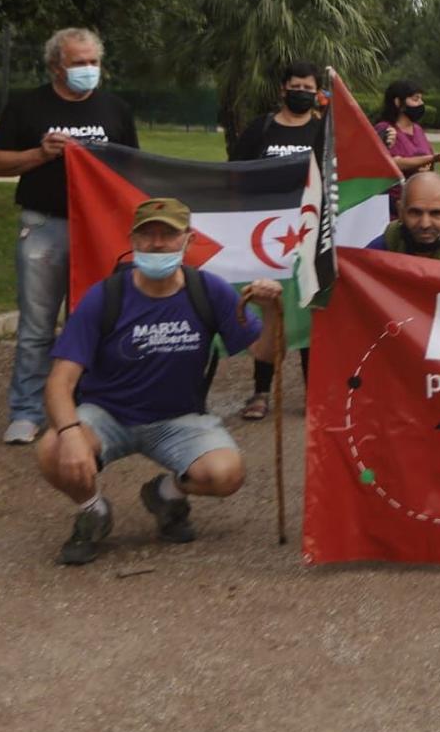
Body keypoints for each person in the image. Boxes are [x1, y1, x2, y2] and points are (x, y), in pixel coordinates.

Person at [33, 197, 285, 565]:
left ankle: (165, 494)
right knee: (52, 449)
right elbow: (59, 382)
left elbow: (267, 355)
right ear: (133, 240)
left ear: (188, 239)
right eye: (146, 234)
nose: (155, 243)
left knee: (226, 474)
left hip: (178, 418)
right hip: (107, 416)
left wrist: (271, 311)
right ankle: (93, 511)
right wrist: (71, 433)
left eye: (167, 235)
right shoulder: (105, 297)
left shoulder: (207, 290)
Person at [0, 27, 140, 446]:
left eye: (94, 62)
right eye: (79, 63)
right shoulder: (27, 106)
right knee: (37, 325)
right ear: (55, 66)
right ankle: (26, 411)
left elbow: (133, 171)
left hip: (102, 231)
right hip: (44, 226)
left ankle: (89, 406)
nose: (89, 70)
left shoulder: (116, 109)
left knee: (97, 322)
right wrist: (40, 153)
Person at [229, 61, 326, 420]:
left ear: (317, 92)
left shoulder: (323, 130)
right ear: (283, 89)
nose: (302, 91)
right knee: (266, 308)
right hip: (264, 238)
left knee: (307, 310)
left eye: (309, 87)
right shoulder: (261, 129)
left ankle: (314, 394)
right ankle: (260, 392)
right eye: (296, 85)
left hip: (308, 236)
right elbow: (233, 175)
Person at [376, 79, 440, 218]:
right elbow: (393, 162)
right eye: (415, 99)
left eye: (421, 99)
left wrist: (428, 164)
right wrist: (429, 159)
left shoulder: (418, 130)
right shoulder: (386, 129)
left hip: (420, 200)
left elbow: (428, 158)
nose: (421, 104)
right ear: (398, 103)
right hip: (393, 206)